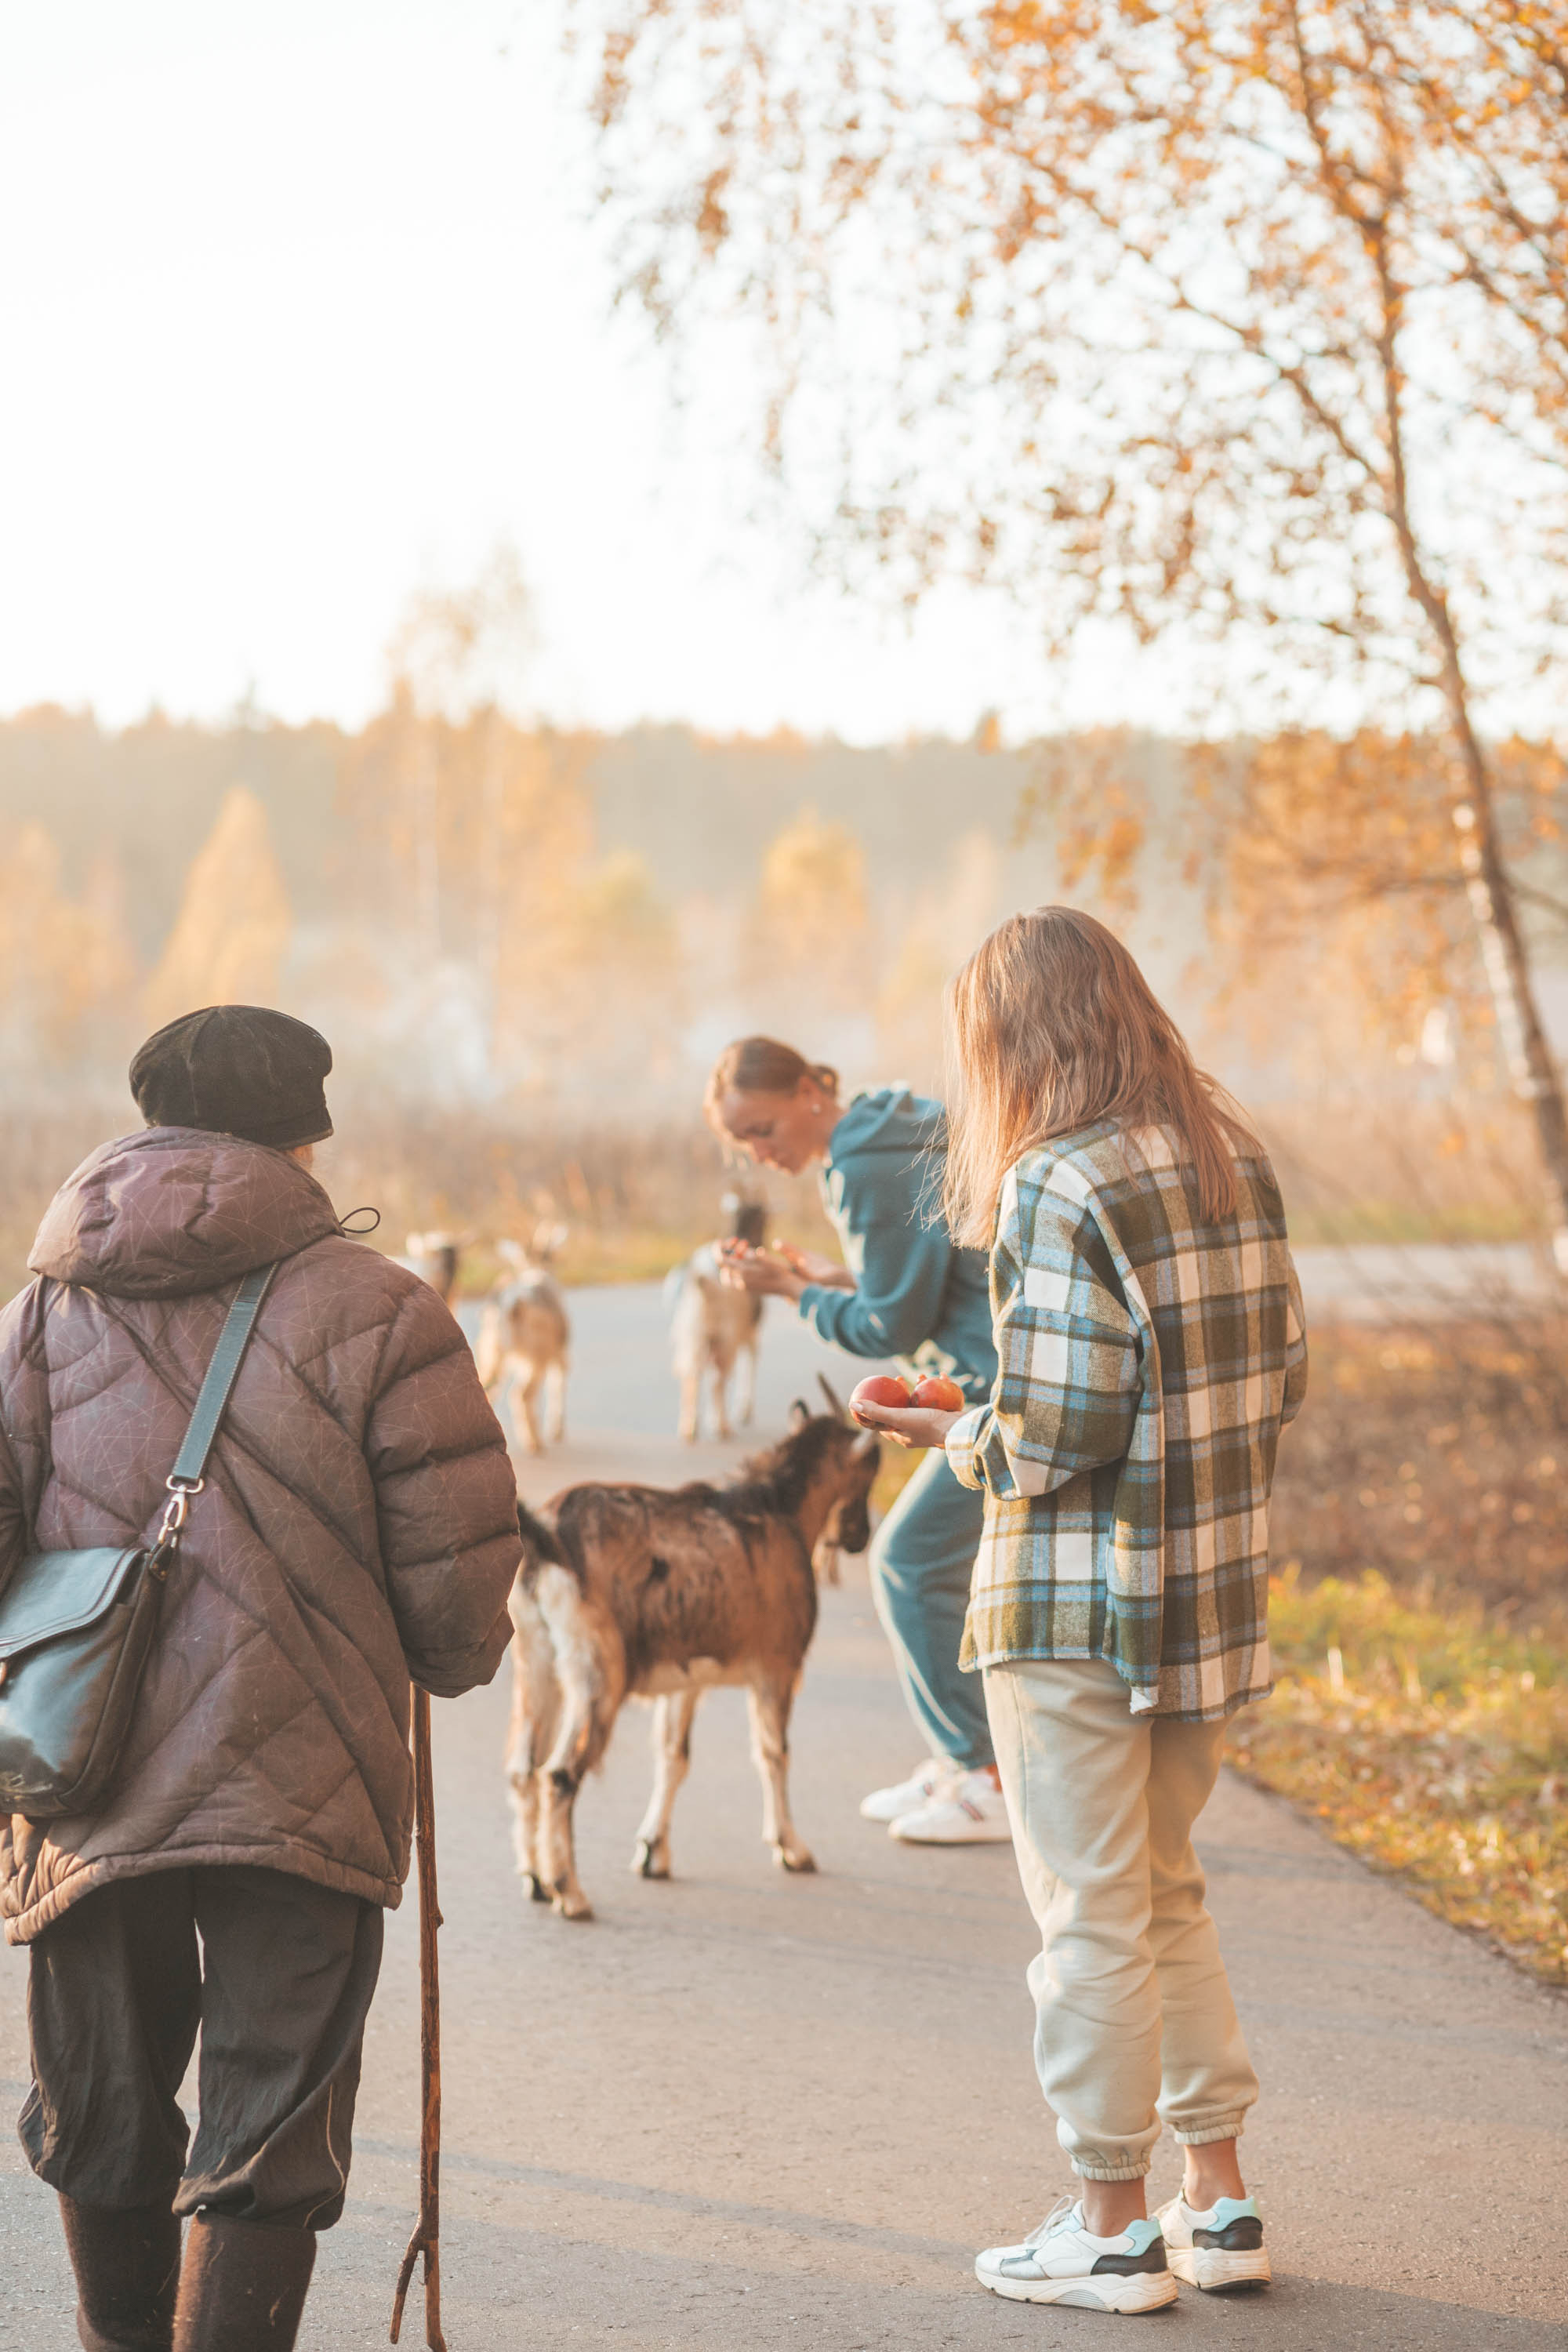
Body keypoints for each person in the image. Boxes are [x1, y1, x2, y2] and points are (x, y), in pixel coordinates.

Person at [0, 1006, 523, 2352]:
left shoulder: (38, 1310)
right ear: (304, 1139)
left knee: (103, 2105)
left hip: (81, 1770)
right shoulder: (384, 1310)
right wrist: (451, 1655)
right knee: (269, 2125)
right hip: (307, 1778)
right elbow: (458, 1606)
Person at [852, 909, 1308, 2314]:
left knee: (1091, 1922)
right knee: (1166, 1898)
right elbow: (1278, 1372)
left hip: (1074, 1608)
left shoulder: (1059, 1177)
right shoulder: (1233, 1159)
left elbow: (1054, 1430)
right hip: (1205, 1606)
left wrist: (949, 1431)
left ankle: (1111, 2227)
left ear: (1010, 1040)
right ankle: (1217, 2205)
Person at [703, 1036, 1007, 1843]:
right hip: (987, 1372)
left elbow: (889, 1325)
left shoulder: (865, 1161)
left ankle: (982, 1774)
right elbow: (924, 1279)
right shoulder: (892, 1128)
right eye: (743, 1142)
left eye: (762, 1129)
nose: (760, 1153)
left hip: (996, 1389)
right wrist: (832, 1279)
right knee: (933, 1568)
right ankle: (964, 1762)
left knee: (910, 1562)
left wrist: (796, 1293)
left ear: (808, 1092)